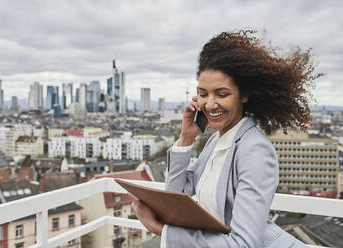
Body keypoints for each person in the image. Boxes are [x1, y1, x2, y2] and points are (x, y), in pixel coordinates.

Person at [131, 30, 321, 247]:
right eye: (203, 94)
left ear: (244, 95)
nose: (210, 104)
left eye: (222, 94)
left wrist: (159, 229)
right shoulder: (216, 141)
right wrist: (185, 139)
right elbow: (178, 195)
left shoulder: (255, 150)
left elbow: (242, 244)